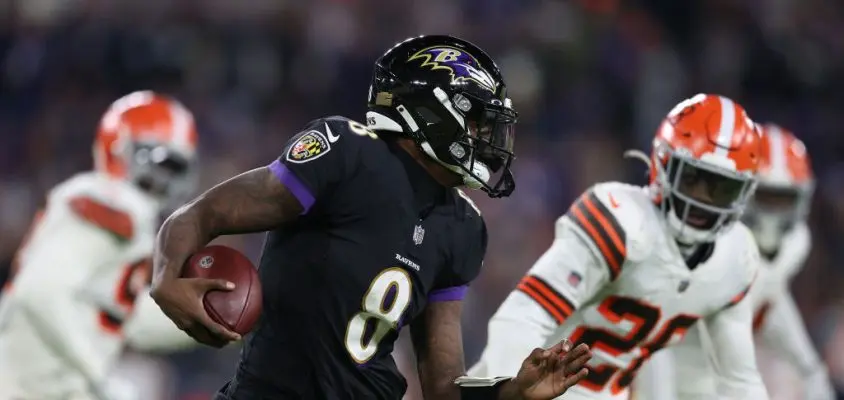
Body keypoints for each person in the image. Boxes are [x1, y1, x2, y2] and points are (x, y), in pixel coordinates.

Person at [150, 35, 591, 400]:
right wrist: (167, 275)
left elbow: (442, 388)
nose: (484, 138)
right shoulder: (347, 151)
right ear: (431, 108)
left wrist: (509, 393)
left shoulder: (463, 226)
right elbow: (203, 214)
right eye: (475, 120)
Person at [469, 93, 771, 399]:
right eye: (693, 178)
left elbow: (740, 379)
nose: (703, 200)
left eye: (723, 188)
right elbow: (524, 316)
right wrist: (508, 391)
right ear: (663, 162)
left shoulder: (736, 256)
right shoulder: (623, 223)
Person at [0, 91, 201, 399]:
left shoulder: (137, 221)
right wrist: (98, 376)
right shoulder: (111, 202)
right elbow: (39, 291)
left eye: (176, 168)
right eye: (160, 162)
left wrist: (210, 317)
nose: (166, 179)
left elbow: (129, 321)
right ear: (119, 148)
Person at [634, 124, 835, 400]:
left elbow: (770, 293)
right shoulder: (708, 248)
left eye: (783, 199)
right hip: (654, 373)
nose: (772, 213)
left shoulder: (794, 244)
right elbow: (655, 337)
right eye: (764, 196)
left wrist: (807, 366)